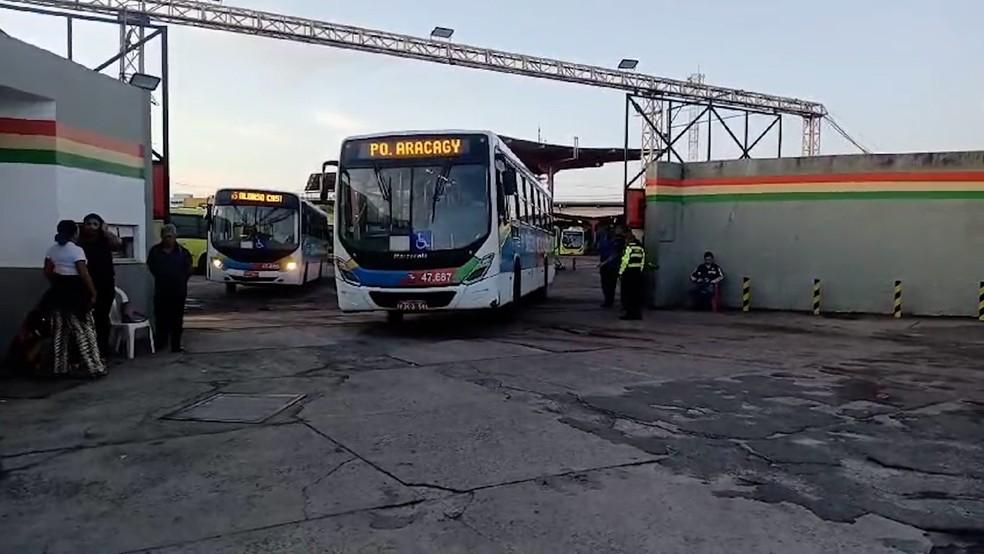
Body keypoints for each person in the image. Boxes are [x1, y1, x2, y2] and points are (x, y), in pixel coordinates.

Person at [41, 220, 106, 377]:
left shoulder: (52, 250)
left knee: (60, 331)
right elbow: (83, 273)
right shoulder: (77, 251)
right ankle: (95, 367)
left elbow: (47, 271)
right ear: (74, 233)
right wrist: (93, 293)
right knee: (84, 331)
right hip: (76, 294)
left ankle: (60, 367)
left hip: (57, 293)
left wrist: (57, 282)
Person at [78, 213, 122, 357]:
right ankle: (87, 351)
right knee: (86, 319)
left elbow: (118, 244)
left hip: (105, 284)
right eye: (88, 223)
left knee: (102, 317)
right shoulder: (80, 242)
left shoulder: (105, 240)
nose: (91, 227)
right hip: (85, 285)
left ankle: (102, 349)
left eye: (95, 224)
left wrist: (105, 231)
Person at [148, 224, 193, 353]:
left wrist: (180, 279)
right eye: (166, 236)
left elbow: (189, 269)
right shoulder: (155, 251)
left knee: (177, 320)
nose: (168, 239)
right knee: (161, 318)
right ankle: (161, 343)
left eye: (171, 236)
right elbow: (151, 266)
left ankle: (176, 345)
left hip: (178, 291)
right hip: (161, 290)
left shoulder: (183, 252)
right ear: (162, 237)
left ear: (175, 237)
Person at [618, 234, 646, 320]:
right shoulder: (640, 249)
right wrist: (640, 271)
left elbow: (625, 261)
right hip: (637, 274)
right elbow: (643, 262)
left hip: (628, 274)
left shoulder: (628, 248)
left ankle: (629, 313)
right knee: (636, 295)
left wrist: (620, 272)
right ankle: (637, 313)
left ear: (629, 240)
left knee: (628, 295)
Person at [597, 224, 625, 308]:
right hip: (605, 265)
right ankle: (607, 300)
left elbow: (615, 254)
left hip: (612, 266)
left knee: (611, 285)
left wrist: (603, 263)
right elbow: (599, 249)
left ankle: (609, 301)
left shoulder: (618, 240)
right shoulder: (604, 239)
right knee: (605, 284)